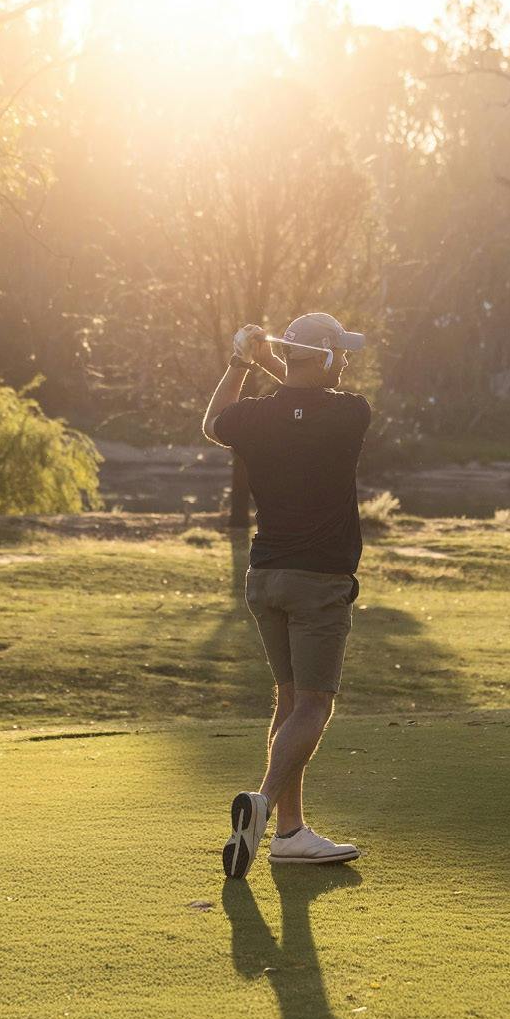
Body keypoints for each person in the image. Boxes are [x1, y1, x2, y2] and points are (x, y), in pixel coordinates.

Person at [203, 312, 371, 878]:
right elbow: (306, 397)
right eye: (338, 353)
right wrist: (273, 359)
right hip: (318, 582)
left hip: (266, 577)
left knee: (289, 702)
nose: (346, 360)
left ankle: (291, 836)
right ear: (323, 357)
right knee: (315, 706)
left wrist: (241, 360)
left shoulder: (255, 416)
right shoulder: (351, 413)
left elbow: (214, 422)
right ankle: (264, 805)